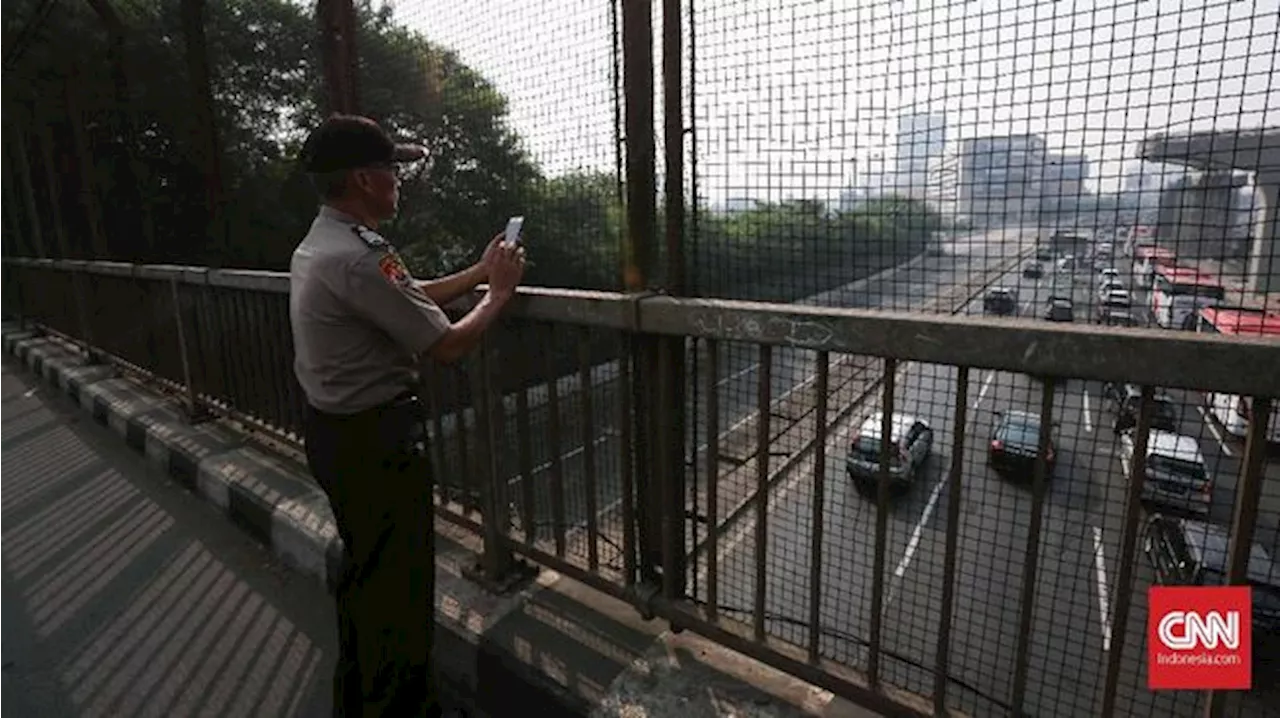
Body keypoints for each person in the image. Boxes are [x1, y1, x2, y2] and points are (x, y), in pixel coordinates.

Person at [289, 113, 525, 717]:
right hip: (375, 443)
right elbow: (445, 344)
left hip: (334, 433)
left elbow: (405, 296)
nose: (400, 181)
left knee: (367, 575)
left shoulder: (326, 242)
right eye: (393, 171)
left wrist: (475, 273)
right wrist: (497, 295)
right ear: (366, 180)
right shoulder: (359, 257)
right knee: (399, 586)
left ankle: (358, 696)